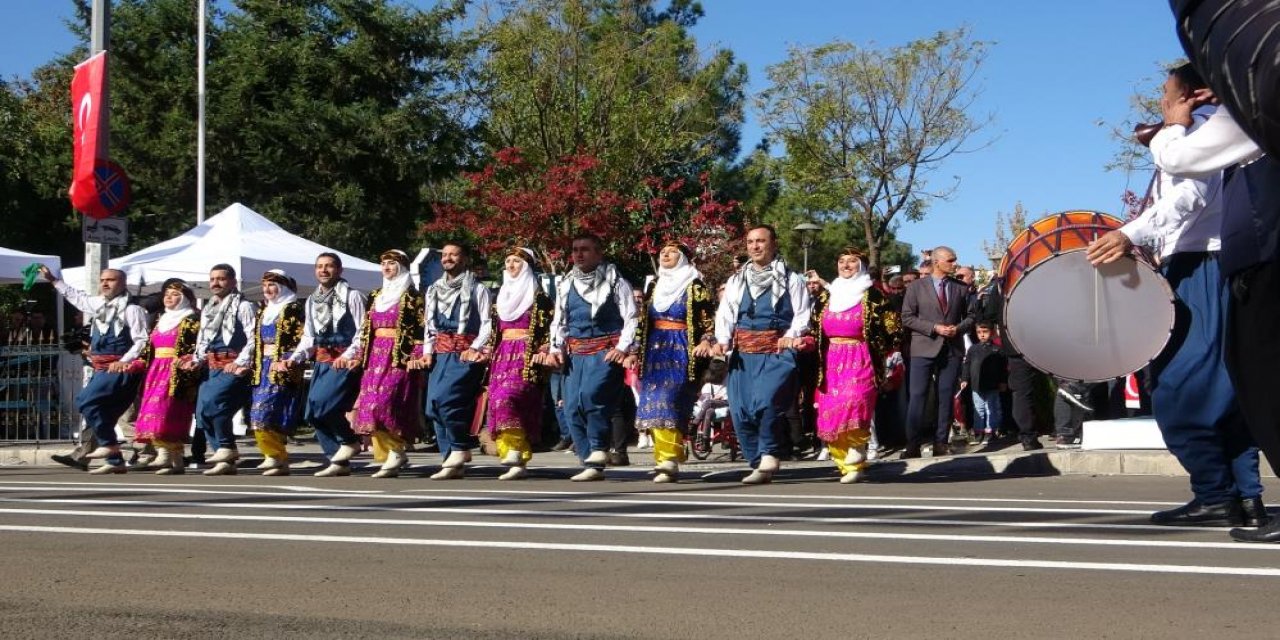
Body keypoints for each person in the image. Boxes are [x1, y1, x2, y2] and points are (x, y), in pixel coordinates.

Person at [1087, 63, 1265, 530]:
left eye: (1168, 94)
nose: (1163, 102)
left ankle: (1213, 493)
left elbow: (1189, 197)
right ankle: (1245, 498)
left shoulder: (1198, 135)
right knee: (1230, 388)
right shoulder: (1218, 131)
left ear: (1194, 94)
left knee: (1180, 388)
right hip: (1217, 265)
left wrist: (1131, 234)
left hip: (1200, 267)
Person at [697, 225, 811, 485]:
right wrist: (722, 340)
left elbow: (802, 313)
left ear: (774, 244)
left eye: (761, 241)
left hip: (776, 351)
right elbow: (725, 313)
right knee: (740, 411)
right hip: (743, 354)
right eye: (750, 242)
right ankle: (758, 463)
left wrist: (792, 334)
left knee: (768, 402)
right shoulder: (738, 279)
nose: (755, 246)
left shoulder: (790, 278)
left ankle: (770, 452)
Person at [539, 233, 639, 482]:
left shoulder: (616, 282)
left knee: (592, 397)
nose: (579, 254)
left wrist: (623, 347)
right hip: (575, 354)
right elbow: (559, 321)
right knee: (570, 407)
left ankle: (598, 448)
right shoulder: (566, 284)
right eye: (575, 249)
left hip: (604, 352)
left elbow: (631, 317)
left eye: (585, 249)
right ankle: (589, 462)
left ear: (598, 252)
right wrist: (555, 349)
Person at [40, 265, 148, 474]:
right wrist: (53, 280)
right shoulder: (100, 305)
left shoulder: (132, 309)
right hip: (102, 367)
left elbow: (142, 340)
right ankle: (115, 460)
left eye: (111, 280)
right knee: (103, 412)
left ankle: (110, 445)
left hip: (119, 369)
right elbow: (78, 298)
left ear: (123, 283)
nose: (105, 284)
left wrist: (124, 360)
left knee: (85, 401)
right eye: (102, 280)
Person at [809, 249, 900, 483]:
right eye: (841, 261)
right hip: (831, 359)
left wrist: (887, 352)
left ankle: (858, 447)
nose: (846, 265)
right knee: (832, 409)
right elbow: (813, 325)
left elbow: (893, 327)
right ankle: (850, 468)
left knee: (855, 399)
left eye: (851, 261)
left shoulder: (873, 294)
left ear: (861, 266)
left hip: (861, 355)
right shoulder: (828, 295)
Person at [335, 250, 425, 479]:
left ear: (402, 267)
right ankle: (391, 455)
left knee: (385, 403)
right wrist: (357, 353)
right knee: (369, 405)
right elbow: (366, 331)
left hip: (398, 357)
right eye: (383, 263)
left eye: (392, 263)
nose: (386, 267)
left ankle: (396, 449)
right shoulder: (377, 295)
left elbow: (422, 328)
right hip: (375, 357)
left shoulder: (412, 296)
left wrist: (417, 353)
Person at [631, 242, 714, 483]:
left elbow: (707, 318)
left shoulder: (694, 284)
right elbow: (644, 321)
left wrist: (707, 340)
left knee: (671, 400)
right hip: (655, 349)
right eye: (662, 252)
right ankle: (666, 459)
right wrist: (635, 350)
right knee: (653, 402)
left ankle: (670, 456)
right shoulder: (655, 285)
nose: (665, 254)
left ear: (684, 258)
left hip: (681, 348)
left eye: (672, 252)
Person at [281, 253, 367, 477]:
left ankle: (349, 441)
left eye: (329, 266)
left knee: (326, 405)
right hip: (321, 359)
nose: (324, 270)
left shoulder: (353, 296)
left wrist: (349, 355)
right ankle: (337, 460)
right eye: (319, 267)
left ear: (339, 270)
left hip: (343, 361)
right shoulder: (311, 300)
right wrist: (295, 357)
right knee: (312, 413)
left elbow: (362, 332)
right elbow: (309, 336)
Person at [415, 242, 493, 480]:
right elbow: (429, 326)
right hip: (441, 352)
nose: (448, 258)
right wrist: (427, 351)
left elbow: (487, 323)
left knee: (447, 401)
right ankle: (450, 460)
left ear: (465, 259)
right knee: (432, 407)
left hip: (463, 353)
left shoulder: (478, 289)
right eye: (445, 255)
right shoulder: (434, 289)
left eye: (454, 254)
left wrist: (475, 348)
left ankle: (460, 447)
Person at [484, 248, 553, 480]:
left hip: (526, 355)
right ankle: (516, 457)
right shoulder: (501, 295)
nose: (511, 265)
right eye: (508, 261)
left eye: (516, 261)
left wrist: (545, 349)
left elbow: (550, 326)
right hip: (501, 355)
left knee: (509, 397)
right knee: (496, 400)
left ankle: (515, 449)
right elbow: (494, 329)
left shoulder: (539, 297)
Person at [900, 246, 976, 458]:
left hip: (951, 349)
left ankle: (940, 443)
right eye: (950, 260)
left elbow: (971, 317)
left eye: (955, 260)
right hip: (923, 347)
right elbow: (907, 317)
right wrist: (933, 327)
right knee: (917, 396)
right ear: (937, 262)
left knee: (946, 396)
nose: (954, 264)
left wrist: (957, 328)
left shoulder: (961, 288)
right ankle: (912, 445)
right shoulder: (916, 287)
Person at [185, 264, 258, 476]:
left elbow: (254, 337)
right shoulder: (209, 308)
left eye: (221, 279)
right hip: (211, 365)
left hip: (232, 363)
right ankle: (224, 457)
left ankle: (226, 446)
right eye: (213, 279)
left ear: (233, 282)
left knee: (216, 406)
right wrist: (197, 359)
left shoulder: (244, 306)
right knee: (202, 413)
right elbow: (203, 339)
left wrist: (242, 362)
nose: (216, 283)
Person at [131, 279, 201, 475]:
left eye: (175, 294)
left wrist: (188, 361)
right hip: (156, 370)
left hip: (176, 370)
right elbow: (149, 347)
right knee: (153, 408)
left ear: (186, 298)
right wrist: (138, 362)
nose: (169, 298)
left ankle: (164, 453)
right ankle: (176, 460)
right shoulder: (161, 318)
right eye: (167, 294)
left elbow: (198, 346)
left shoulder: (191, 319)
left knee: (168, 411)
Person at [244, 269, 305, 476]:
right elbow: (255, 340)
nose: (268, 290)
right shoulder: (264, 310)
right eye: (265, 286)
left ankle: (276, 456)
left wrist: (288, 359)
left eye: (272, 285)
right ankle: (276, 458)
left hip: (282, 366)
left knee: (267, 412)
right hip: (263, 367)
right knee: (256, 413)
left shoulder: (293, 308)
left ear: (283, 286)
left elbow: (301, 337)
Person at [959, 321, 1006, 445]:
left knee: (991, 408)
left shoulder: (997, 350)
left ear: (992, 332)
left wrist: (1002, 381)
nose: (982, 335)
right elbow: (967, 365)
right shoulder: (973, 349)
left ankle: (991, 431)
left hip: (992, 385)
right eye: (979, 332)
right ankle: (979, 431)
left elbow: (1002, 368)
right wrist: (964, 379)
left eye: (985, 332)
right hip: (976, 385)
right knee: (978, 408)